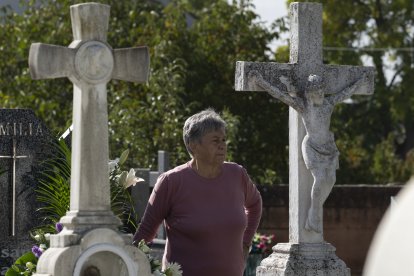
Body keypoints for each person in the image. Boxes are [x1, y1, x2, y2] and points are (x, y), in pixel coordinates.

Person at [133, 108, 262, 276]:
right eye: (215, 140)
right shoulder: (171, 182)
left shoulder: (237, 175)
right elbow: (144, 234)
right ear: (193, 146)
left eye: (224, 139)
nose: (222, 145)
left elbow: (255, 204)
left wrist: (246, 243)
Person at [249, 71, 368, 233]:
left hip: (328, 148)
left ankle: (314, 213)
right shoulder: (303, 106)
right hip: (311, 147)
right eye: (316, 91)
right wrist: (261, 81)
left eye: (321, 90)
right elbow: (280, 95)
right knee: (320, 179)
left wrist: (360, 81)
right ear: (310, 93)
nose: (319, 94)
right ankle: (314, 216)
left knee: (330, 180)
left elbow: (345, 93)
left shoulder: (328, 104)